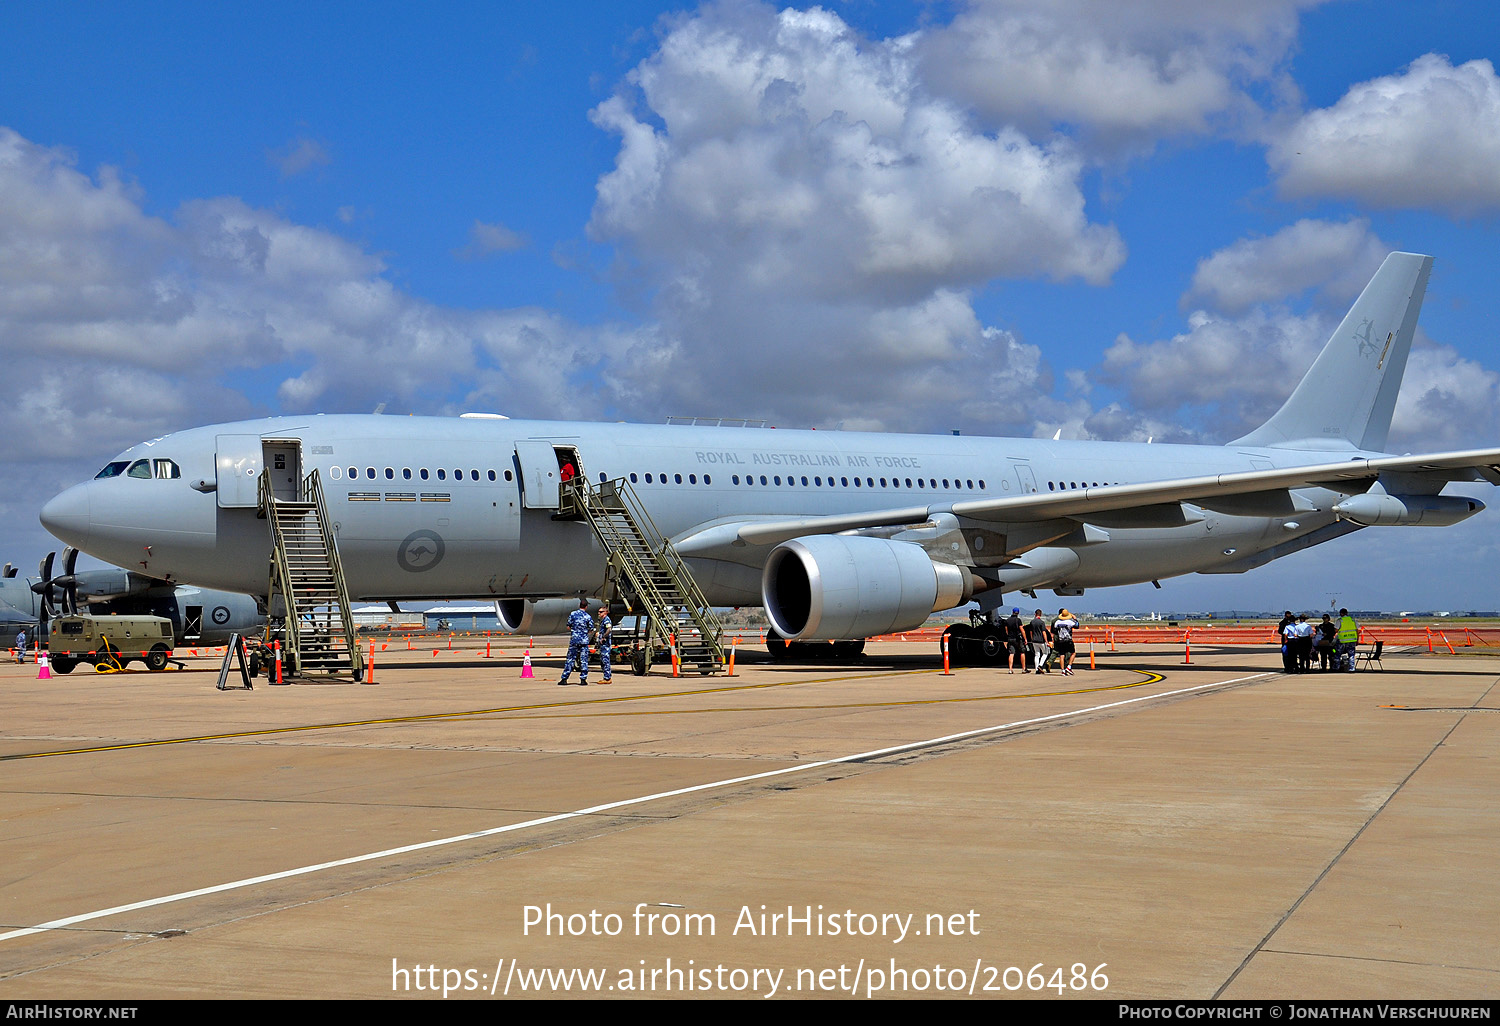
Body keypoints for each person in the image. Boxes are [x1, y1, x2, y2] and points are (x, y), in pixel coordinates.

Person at [557, 599, 592, 686]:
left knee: (570, 659)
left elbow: (568, 626)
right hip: (584, 641)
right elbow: (591, 629)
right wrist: (584, 632)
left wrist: (575, 630)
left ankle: (564, 678)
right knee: (584, 660)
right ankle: (583, 679)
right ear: (586, 606)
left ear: (579, 605)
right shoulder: (588, 616)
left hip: (574, 640)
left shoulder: (573, 614)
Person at [1052, 609, 1079, 675]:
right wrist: (1075, 619)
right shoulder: (1069, 622)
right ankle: (1069, 666)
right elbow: (1077, 626)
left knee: (1062, 655)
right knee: (1073, 653)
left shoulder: (1057, 622)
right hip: (1068, 640)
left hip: (1061, 640)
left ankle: (1062, 670)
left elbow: (1055, 629)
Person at [1027, 609, 1052, 674]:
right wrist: (1046, 641)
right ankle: (1040, 665)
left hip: (1034, 640)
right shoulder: (1041, 622)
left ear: (1035, 614)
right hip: (1041, 640)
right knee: (1045, 653)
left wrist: (1032, 638)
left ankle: (1036, 669)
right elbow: (1044, 632)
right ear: (1040, 614)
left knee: (1037, 654)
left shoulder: (1032, 622)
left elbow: (1031, 632)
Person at [1005, 607, 1026, 673]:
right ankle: (1023, 669)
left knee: (1011, 653)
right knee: (1022, 652)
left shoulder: (1007, 620)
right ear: (1018, 612)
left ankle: (1010, 669)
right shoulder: (1018, 620)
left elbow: (1006, 630)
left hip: (1010, 638)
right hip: (1017, 639)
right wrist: (1025, 638)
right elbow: (1022, 630)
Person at [596, 606, 613, 684]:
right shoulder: (603, 621)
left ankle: (607, 678)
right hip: (603, 644)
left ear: (605, 612)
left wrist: (603, 637)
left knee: (605, 660)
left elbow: (609, 629)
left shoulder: (606, 620)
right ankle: (606, 677)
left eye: (601, 612)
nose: (599, 613)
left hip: (605, 644)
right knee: (603, 660)